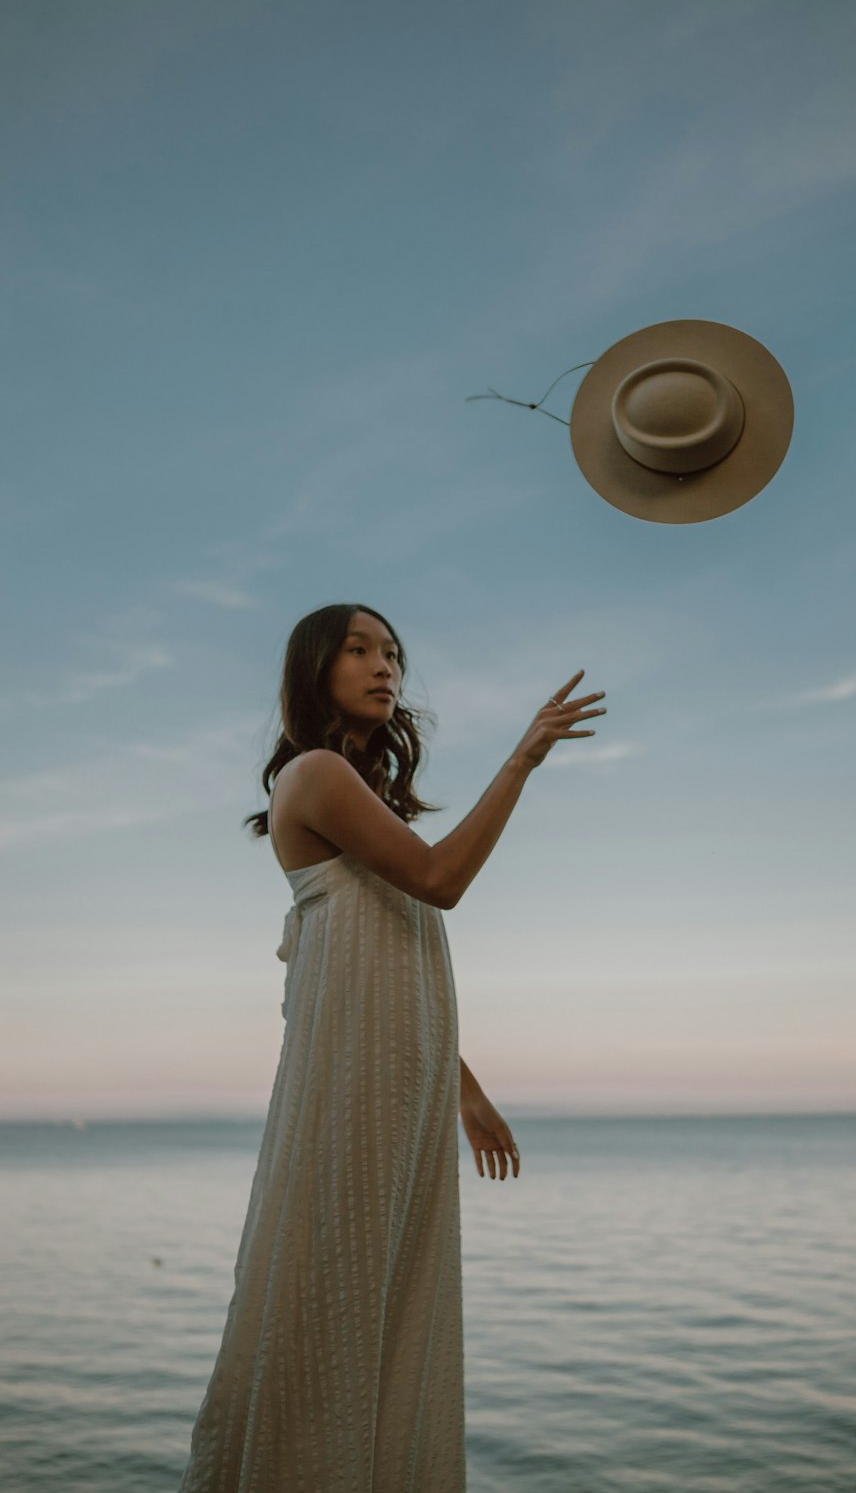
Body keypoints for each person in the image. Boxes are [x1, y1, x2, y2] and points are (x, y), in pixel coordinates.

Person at [178, 602, 606, 1493]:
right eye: (360, 651)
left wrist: (466, 1089)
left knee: (388, 1295)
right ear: (314, 670)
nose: (386, 668)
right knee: (338, 1287)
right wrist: (522, 759)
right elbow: (440, 883)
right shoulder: (318, 773)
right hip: (356, 1097)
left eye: (393, 654)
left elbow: (384, 965)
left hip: (400, 1086)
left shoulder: (361, 796)